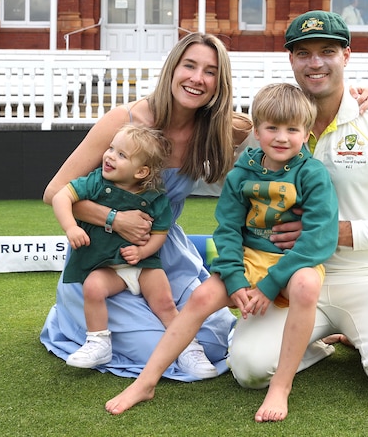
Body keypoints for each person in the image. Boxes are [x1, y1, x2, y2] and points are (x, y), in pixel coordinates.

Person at [227, 10, 368, 402]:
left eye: (327, 51)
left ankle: (365, 337)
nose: (316, 62)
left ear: (347, 56)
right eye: (303, 53)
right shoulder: (272, 127)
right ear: (291, 60)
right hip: (288, 275)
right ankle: (319, 344)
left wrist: (330, 233)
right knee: (249, 370)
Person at [105, 81, 339, 422]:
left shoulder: (313, 175)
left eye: (292, 129)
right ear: (257, 131)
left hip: (292, 264)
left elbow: (318, 240)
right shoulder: (241, 173)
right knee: (201, 298)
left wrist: (270, 285)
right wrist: (234, 279)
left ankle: (280, 387)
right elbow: (228, 229)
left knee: (306, 285)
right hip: (248, 257)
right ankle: (146, 381)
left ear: (306, 135)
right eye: (272, 127)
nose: (281, 137)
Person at [40, 32, 243, 380]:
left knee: (211, 340)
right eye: (189, 65)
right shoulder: (123, 121)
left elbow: (283, 125)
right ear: (172, 68)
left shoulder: (215, 130)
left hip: (164, 255)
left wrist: (353, 100)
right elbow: (54, 191)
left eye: (209, 72)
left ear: (218, 84)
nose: (197, 78)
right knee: (156, 347)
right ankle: (72, 316)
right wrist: (116, 220)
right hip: (103, 257)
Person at [51, 124, 216, 377]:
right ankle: (98, 341)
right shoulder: (95, 182)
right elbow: (61, 196)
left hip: (144, 265)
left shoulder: (156, 197)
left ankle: (188, 349)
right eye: (111, 149)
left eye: (121, 155)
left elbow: (160, 233)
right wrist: (71, 227)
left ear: (141, 171)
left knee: (165, 304)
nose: (109, 156)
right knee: (93, 287)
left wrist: (143, 253)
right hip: (108, 266)